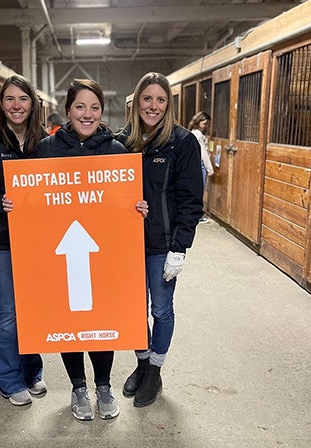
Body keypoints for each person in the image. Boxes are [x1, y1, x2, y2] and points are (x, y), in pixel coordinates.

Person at [28, 79, 129, 420]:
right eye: (80, 107)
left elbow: (123, 200)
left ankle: (103, 384)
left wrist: (137, 207)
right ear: (68, 110)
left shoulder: (116, 150)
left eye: (94, 108)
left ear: (102, 111)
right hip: (62, 250)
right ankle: (78, 388)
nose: (87, 114)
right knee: (66, 319)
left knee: (103, 318)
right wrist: (17, 204)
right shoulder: (47, 148)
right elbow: (34, 196)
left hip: (104, 252)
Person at [117, 72, 205, 408]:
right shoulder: (122, 141)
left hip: (163, 243)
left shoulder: (182, 143)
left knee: (161, 309)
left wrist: (180, 247)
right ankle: (142, 362)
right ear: (137, 101)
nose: (153, 106)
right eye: (147, 99)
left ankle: (155, 370)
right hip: (126, 243)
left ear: (168, 104)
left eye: (160, 100)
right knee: (134, 310)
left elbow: (190, 200)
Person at [0, 75, 48, 407]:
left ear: (33, 104)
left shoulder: (44, 142)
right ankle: (9, 379)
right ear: (1, 104)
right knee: (8, 312)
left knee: (33, 310)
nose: (17, 106)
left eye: (23, 99)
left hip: (36, 242)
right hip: (1, 242)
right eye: (10, 99)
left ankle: (31, 371)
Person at [187, 111, 213, 224]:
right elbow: (203, 153)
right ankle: (198, 216)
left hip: (197, 164)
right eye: (204, 123)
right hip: (200, 165)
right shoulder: (198, 134)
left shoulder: (193, 133)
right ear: (198, 122)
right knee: (199, 190)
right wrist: (209, 168)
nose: (206, 126)